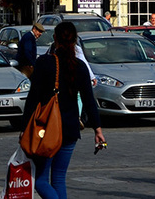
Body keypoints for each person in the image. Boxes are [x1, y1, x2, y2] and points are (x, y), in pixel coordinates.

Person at [21, 21, 105, 199]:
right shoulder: (79, 67)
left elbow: (32, 99)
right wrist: (97, 130)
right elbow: (89, 101)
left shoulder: (44, 63)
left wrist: (24, 128)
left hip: (46, 129)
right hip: (70, 129)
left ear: (54, 39)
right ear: (75, 41)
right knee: (59, 178)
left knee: (41, 180)